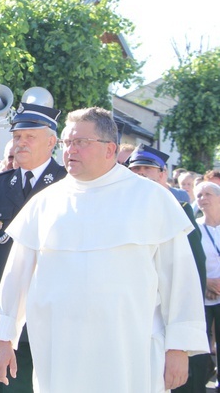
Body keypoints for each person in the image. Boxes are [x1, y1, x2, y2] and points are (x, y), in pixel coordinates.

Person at [0, 107, 209, 392]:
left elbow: (180, 280)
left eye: (80, 142)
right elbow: (15, 277)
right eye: (67, 143)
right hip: (60, 350)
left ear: (110, 149)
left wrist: (179, 348)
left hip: (129, 351)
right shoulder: (44, 202)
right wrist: (3, 340)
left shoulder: (152, 199)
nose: (70, 150)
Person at [0, 101, 66, 393]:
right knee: (10, 387)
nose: (21, 143)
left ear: (51, 142)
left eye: (29, 136)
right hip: (8, 316)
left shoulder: (67, 183)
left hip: (56, 314)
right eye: (17, 137)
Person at [126, 144, 210, 393]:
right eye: (135, 168)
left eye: (147, 169)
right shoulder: (122, 207)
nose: (140, 173)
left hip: (165, 318)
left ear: (163, 174)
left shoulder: (178, 209)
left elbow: (193, 267)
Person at [194, 181, 220, 392]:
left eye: (208, 194)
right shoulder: (195, 229)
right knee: (201, 344)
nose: (203, 198)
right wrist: (206, 283)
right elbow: (191, 260)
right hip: (202, 295)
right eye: (199, 195)